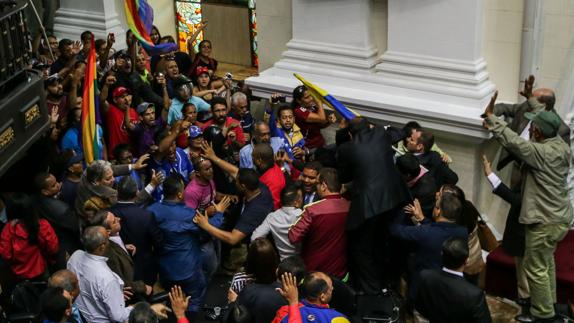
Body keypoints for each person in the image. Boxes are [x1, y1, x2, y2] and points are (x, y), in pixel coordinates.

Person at [483, 93, 573, 322]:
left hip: (543, 221)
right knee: (546, 264)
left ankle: (542, 315)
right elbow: (551, 117)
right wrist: (534, 101)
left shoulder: (539, 153)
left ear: (537, 132)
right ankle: (549, 305)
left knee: (536, 268)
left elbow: (512, 140)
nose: (530, 127)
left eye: (533, 125)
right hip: (559, 218)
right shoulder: (561, 146)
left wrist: (492, 117)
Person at [336, 117, 411, 294]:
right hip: (394, 198)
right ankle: (386, 282)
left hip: (369, 204)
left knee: (360, 247)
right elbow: (403, 131)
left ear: (349, 134)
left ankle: (371, 291)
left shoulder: (347, 148)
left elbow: (344, 177)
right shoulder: (380, 134)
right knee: (382, 240)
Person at [147, 176, 229, 314]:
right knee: (195, 297)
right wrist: (219, 212)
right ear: (179, 194)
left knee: (172, 295)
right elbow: (209, 227)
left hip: (165, 268)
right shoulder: (188, 214)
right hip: (188, 268)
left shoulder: (152, 210)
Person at [392, 187, 468, 300]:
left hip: (423, 289)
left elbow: (396, 230)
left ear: (438, 211)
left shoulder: (425, 232)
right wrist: (422, 218)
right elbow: (440, 229)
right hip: (446, 290)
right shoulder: (463, 231)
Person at [493, 75, 570, 173]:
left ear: (543, 105)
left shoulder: (562, 130)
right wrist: (491, 112)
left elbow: (559, 165)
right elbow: (505, 107)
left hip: (535, 175)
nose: (529, 100)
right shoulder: (526, 107)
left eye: (532, 98)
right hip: (515, 166)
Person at [482, 155, 528, 303]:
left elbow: (517, 200)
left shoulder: (534, 180)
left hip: (527, 234)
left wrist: (490, 176)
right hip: (532, 232)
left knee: (525, 277)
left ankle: (528, 307)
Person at [289, 168, 349, 279]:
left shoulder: (313, 210)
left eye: (317, 183)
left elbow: (293, 237)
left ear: (324, 185)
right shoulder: (349, 206)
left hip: (315, 274)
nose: (316, 187)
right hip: (341, 272)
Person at [415, 237, 492, 323]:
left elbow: (420, 307)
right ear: (466, 261)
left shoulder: (425, 275)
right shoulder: (474, 295)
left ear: (441, 254)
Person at [67, 226, 133, 322]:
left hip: (83, 316)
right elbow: (118, 317)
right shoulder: (107, 278)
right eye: (108, 238)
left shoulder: (75, 256)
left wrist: (115, 293)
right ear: (102, 246)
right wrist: (133, 308)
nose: (109, 238)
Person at [194, 168, 274, 246]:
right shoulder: (257, 185)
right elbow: (234, 171)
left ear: (243, 186)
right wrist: (214, 158)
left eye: (236, 181)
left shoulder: (253, 211)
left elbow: (233, 239)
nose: (235, 183)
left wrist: (206, 226)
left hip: (252, 245)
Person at [110, 176, 164, 286]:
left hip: (118, 268)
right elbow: (159, 243)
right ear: (137, 193)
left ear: (117, 192)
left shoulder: (109, 214)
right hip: (144, 267)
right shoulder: (146, 216)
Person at [201, 141, 285, 210]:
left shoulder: (271, 182)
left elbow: (269, 208)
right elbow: (236, 172)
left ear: (259, 160)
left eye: (253, 157)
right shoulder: (272, 167)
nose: (251, 160)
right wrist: (214, 157)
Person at [0, 193, 59, 281]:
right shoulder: (42, 225)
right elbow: (53, 248)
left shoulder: (8, 230)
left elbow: (6, 255)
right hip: (41, 268)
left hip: (20, 273)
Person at [230, 238, 287, 323]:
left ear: (250, 259)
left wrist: (234, 301)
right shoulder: (283, 281)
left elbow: (235, 315)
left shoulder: (239, 280)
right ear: (274, 258)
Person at [74, 158, 150, 219]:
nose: (113, 179)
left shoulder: (88, 171)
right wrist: (152, 185)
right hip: (93, 221)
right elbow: (132, 201)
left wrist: (134, 166)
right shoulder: (112, 195)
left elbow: (110, 169)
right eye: (108, 179)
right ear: (97, 182)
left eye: (112, 175)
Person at [33, 171, 81, 263]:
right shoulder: (61, 210)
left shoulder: (35, 200)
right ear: (45, 191)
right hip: (67, 244)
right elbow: (75, 226)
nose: (58, 185)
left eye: (57, 182)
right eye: (54, 185)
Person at [273, 272, 349, 323]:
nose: (332, 288)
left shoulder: (284, 312)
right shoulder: (337, 319)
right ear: (323, 297)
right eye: (330, 288)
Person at [252, 184, 303, 260]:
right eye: (301, 197)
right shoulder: (303, 215)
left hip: (283, 261)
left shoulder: (272, 217)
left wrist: (270, 253)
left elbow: (254, 238)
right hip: (303, 260)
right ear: (296, 203)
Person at [395, 153, 437, 219]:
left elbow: (413, 213)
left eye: (398, 172)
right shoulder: (416, 167)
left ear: (408, 175)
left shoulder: (423, 192)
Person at [104, 86, 139, 159]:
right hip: (116, 157)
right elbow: (102, 99)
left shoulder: (133, 111)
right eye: (122, 97)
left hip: (132, 155)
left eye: (127, 96)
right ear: (115, 100)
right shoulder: (111, 110)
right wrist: (106, 85)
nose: (126, 99)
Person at [291, 85, 330, 150]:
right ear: (299, 101)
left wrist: (329, 121)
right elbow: (322, 118)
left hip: (320, 143)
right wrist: (319, 102)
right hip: (309, 147)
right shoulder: (299, 111)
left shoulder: (312, 107)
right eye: (307, 97)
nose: (311, 98)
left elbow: (321, 124)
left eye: (311, 95)